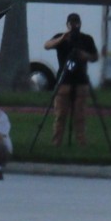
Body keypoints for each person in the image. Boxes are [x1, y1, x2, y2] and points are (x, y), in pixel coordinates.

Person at [43, 13, 99, 145]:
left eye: (76, 23)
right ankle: (56, 142)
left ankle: (81, 142)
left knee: (80, 115)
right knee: (60, 115)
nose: (74, 26)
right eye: (71, 23)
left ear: (80, 23)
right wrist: (62, 39)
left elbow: (95, 57)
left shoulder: (86, 39)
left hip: (81, 80)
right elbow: (47, 45)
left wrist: (85, 55)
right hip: (64, 81)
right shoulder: (61, 37)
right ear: (67, 24)